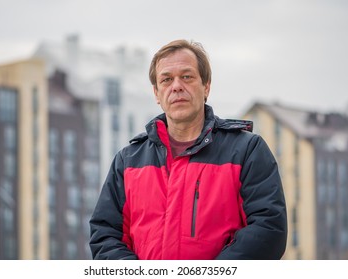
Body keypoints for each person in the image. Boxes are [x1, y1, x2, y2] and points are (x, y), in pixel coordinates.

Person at [89, 39, 287, 260]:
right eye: (166, 79)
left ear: (206, 87)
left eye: (187, 77)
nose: (176, 86)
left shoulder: (247, 150)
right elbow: (105, 236)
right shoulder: (127, 162)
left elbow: (268, 229)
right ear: (156, 93)